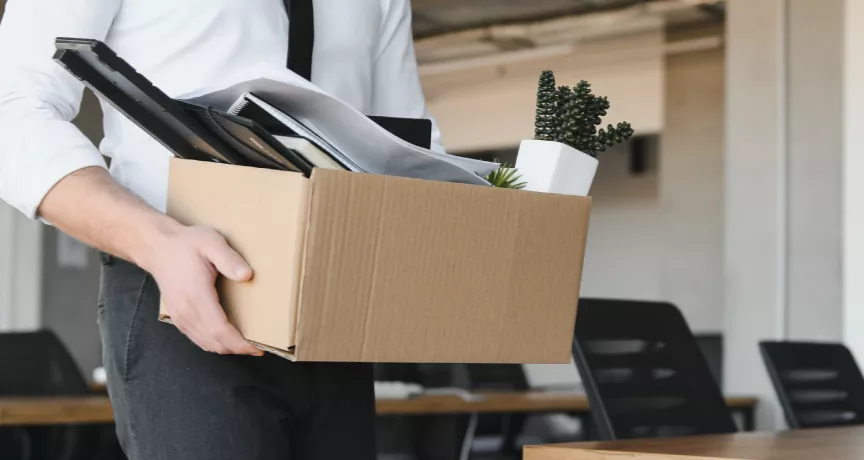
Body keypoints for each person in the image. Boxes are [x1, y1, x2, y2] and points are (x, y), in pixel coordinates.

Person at [0, 1, 442, 458]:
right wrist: (157, 241)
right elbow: (13, 110)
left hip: (333, 308)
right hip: (178, 290)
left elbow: (408, 150)